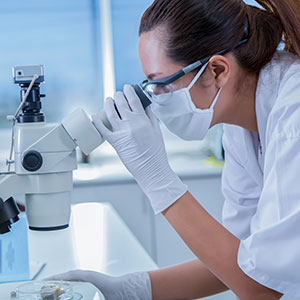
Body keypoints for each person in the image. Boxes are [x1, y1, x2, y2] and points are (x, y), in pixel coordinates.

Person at [50, 0, 300, 299]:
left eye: (162, 84)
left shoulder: (293, 119)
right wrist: (131, 290)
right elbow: (241, 259)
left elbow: (261, 288)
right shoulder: (241, 122)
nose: (155, 98)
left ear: (217, 70)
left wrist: (158, 180)